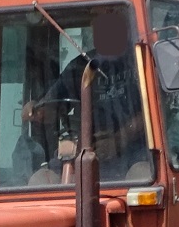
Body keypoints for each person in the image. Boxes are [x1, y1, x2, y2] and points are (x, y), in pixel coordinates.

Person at [22, 10, 149, 179]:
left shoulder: (140, 60)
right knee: (41, 179)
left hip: (133, 153)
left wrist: (118, 140)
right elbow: (52, 107)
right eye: (97, 22)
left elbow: (153, 111)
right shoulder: (80, 67)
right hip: (85, 149)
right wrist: (36, 110)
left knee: (143, 175)